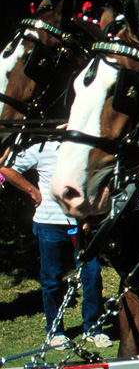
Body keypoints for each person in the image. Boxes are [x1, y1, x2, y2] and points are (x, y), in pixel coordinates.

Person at [0, 140, 109, 347]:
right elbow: (6, 168)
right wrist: (33, 191)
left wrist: (89, 217)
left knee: (92, 274)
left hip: (79, 225)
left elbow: (95, 182)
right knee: (51, 279)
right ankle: (55, 332)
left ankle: (93, 329)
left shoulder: (87, 147)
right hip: (48, 223)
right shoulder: (42, 148)